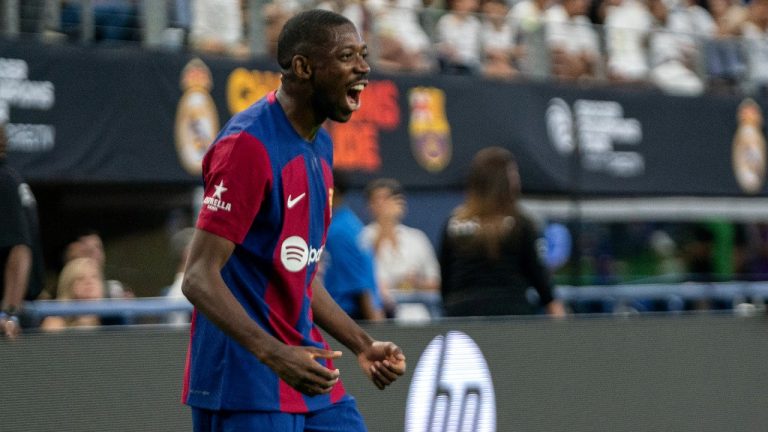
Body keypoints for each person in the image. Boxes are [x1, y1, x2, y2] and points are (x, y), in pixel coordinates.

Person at [180, 10, 406, 432]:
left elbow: (298, 271)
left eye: (363, 54)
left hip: (307, 370)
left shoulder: (320, 143)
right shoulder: (247, 145)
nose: (363, 68)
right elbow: (197, 276)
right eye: (346, 56)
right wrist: (273, 353)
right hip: (245, 383)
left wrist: (363, 344)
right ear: (303, 67)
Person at [438, 147, 567, 317]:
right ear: (507, 181)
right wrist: (557, 312)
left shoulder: (454, 222)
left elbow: (445, 279)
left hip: (462, 317)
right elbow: (540, 279)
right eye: (513, 173)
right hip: (511, 316)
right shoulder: (521, 223)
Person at [361, 178, 440, 318]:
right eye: (379, 199)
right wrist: (385, 222)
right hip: (378, 311)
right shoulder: (363, 236)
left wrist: (416, 283)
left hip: (417, 309)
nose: (385, 205)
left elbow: (436, 283)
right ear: (370, 205)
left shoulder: (417, 238)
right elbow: (364, 272)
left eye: (389, 199)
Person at [321, 169, 385, 321]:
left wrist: (376, 332)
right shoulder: (351, 223)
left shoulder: (338, 232)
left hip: (349, 319)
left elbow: (360, 287)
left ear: (332, 191)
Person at [0, 123, 45, 339]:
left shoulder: (3, 181)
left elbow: (20, 249)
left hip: (8, 322)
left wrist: (9, 313)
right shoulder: (10, 178)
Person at [40, 257, 105, 330]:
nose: (89, 283)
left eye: (94, 277)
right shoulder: (55, 325)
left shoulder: (114, 321)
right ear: (68, 286)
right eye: (80, 278)